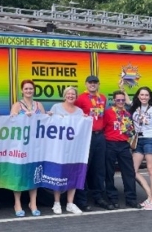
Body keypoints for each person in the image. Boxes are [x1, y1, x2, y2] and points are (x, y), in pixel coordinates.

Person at [74, 75, 112, 211]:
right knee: (85, 168)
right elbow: (74, 114)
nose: (93, 84)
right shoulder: (80, 99)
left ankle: (98, 198)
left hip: (99, 136)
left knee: (99, 169)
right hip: (86, 136)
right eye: (90, 82)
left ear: (98, 84)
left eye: (95, 82)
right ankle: (81, 200)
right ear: (85, 84)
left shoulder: (102, 98)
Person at [9, 80, 45, 217]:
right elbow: (11, 122)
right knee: (19, 174)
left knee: (34, 173)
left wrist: (49, 116)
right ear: (22, 90)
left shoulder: (39, 105)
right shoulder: (17, 105)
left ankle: (33, 203)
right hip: (21, 145)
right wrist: (22, 116)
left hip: (35, 145)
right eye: (26, 88)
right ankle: (17, 203)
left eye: (31, 88)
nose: (29, 91)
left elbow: (44, 121)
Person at [48, 86, 84, 215]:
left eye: (73, 94)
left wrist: (85, 120)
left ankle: (70, 203)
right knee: (58, 174)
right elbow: (49, 123)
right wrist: (49, 116)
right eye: (68, 94)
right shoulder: (56, 107)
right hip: (59, 148)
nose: (70, 96)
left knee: (72, 173)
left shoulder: (79, 111)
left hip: (74, 148)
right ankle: (56, 203)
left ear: (76, 96)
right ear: (64, 95)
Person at [103, 90, 141, 209]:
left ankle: (131, 199)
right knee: (109, 173)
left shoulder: (128, 114)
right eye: (118, 100)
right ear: (113, 101)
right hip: (110, 144)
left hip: (124, 146)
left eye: (122, 100)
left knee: (129, 173)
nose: (120, 102)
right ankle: (112, 198)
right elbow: (102, 127)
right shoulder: (108, 113)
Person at [129, 86, 152, 210]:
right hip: (138, 141)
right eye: (141, 95)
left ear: (150, 97)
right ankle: (150, 196)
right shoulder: (135, 107)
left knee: (151, 170)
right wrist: (122, 85)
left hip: (151, 140)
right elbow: (124, 97)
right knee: (132, 170)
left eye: (146, 95)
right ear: (138, 96)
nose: (144, 97)